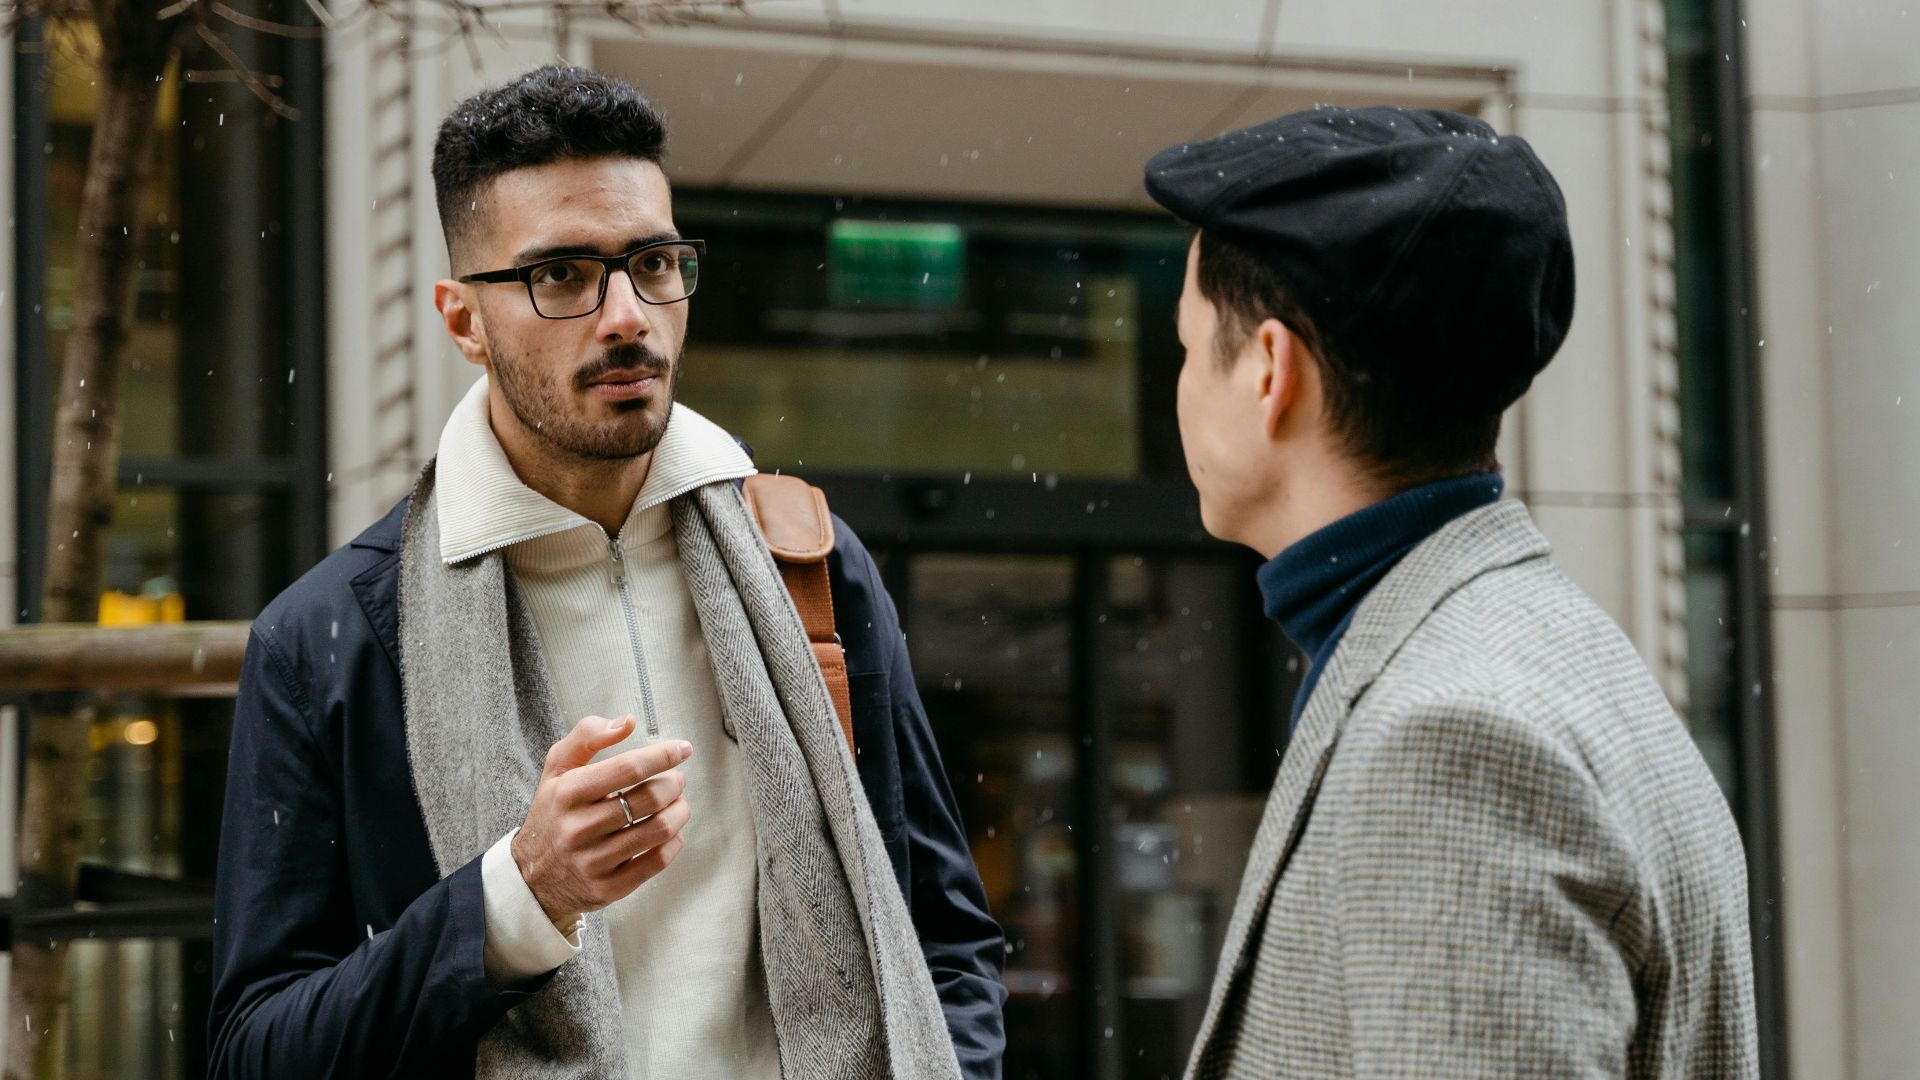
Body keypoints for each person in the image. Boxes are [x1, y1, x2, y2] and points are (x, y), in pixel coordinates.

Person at [208, 65, 1006, 1079]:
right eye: (563, 276)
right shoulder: (335, 637)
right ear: (463, 321)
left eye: (653, 262)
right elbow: (256, 1047)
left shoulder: (807, 561)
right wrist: (519, 896)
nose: (626, 314)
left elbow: (944, 939)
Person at [1143, 107, 1758, 1078]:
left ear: (1270, 371)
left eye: (1185, 345)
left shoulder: (1454, 737)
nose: (1178, 383)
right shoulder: (1544, 651)